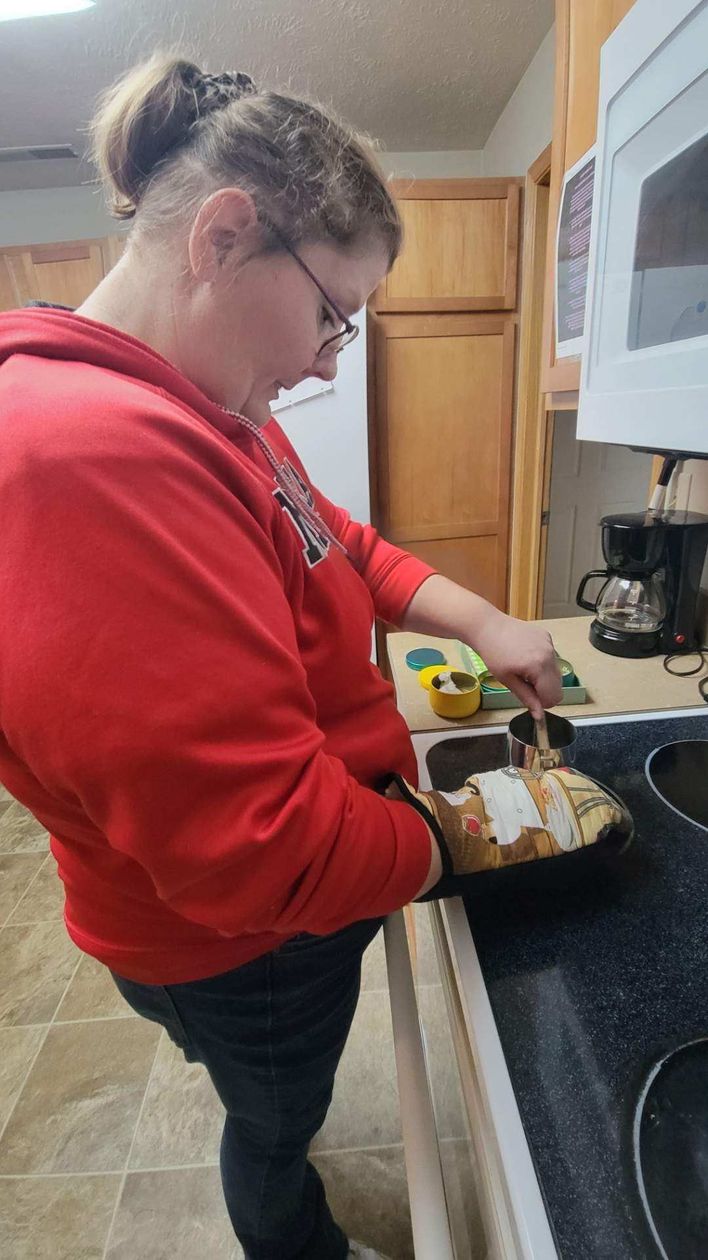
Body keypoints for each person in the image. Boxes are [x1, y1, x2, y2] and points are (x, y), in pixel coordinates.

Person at [0, 55, 561, 1260]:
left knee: (263, 1088)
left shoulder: (208, 414)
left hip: (257, 914)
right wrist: (466, 839)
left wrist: (474, 616)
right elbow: (261, 853)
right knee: (271, 1119)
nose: (327, 362)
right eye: (330, 316)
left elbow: (332, 538)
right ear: (223, 233)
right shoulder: (89, 458)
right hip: (239, 945)